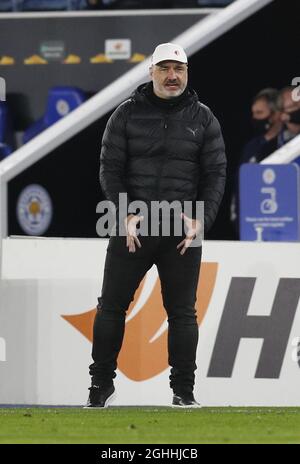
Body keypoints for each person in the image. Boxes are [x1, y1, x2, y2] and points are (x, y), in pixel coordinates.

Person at [85, 43, 226, 408]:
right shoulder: (125, 115)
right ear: (151, 72)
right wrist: (123, 213)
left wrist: (202, 221)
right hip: (133, 228)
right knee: (111, 307)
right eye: (164, 68)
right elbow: (109, 168)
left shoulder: (204, 118)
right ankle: (99, 387)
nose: (172, 76)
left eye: (178, 69)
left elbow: (215, 174)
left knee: (182, 313)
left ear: (187, 73)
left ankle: (184, 392)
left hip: (182, 231)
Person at [230, 88, 282, 233]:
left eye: (260, 113)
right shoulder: (251, 147)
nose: (254, 118)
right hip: (251, 225)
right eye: (253, 113)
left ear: (276, 114)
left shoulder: (288, 145)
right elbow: (239, 186)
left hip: (281, 224)